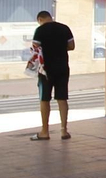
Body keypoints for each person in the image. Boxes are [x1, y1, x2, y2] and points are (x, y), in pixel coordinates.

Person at [31, 9, 74, 141]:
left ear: (40, 20)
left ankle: (45, 131)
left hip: (46, 70)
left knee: (44, 99)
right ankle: (64, 131)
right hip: (62, 67)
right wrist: (59, 48)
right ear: (51, 17)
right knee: (62, 98)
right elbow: (71, 46)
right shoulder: (64, 28)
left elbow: (35, 48)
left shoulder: (40, 30)